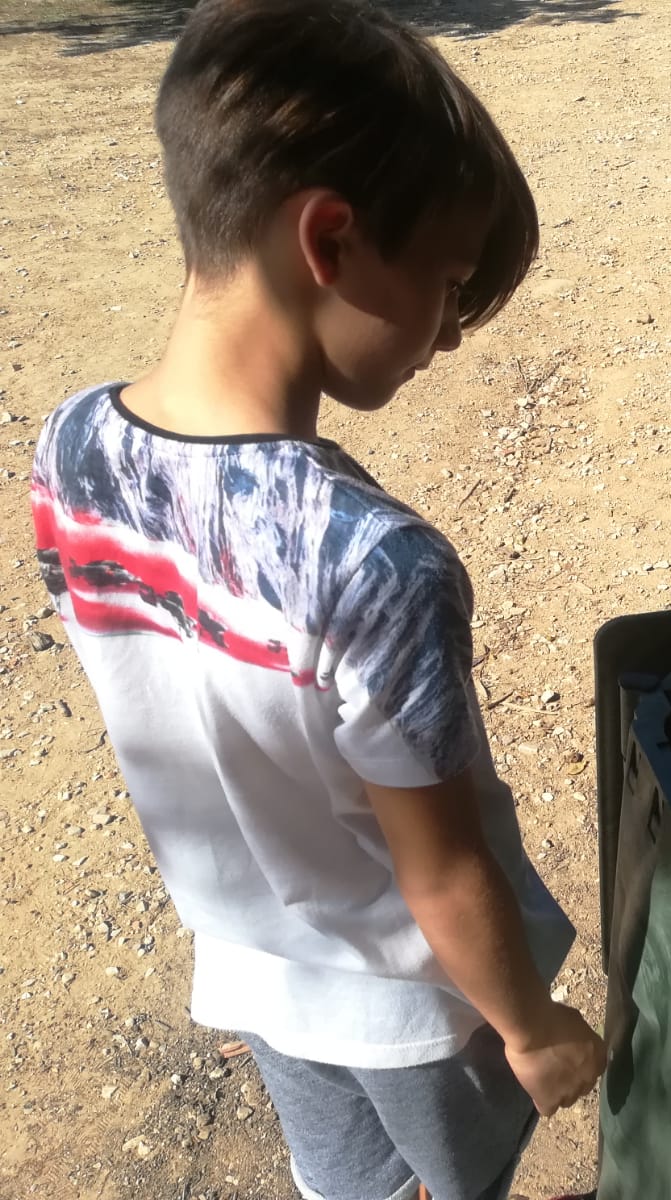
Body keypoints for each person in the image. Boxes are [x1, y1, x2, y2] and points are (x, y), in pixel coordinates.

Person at [28, 2, 605, 1198]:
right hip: (412, 1006)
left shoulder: (70, 448)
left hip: (253, 966)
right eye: (450, 282)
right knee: (451, 1178)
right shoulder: (370, 564)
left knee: (344, 1183)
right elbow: (440, 874)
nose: (451, 336)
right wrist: (532, 1026)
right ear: (330, 238)